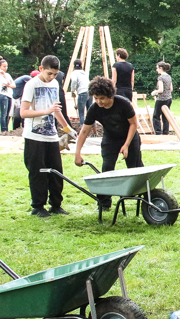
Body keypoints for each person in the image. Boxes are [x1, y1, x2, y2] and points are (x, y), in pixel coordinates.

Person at [74, 76, 143, 210]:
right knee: (106, 169)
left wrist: (126, 145)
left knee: (136, 168)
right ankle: (104, 203)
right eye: (96, 98)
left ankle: (147, 198)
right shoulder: (94, 108)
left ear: (110, 95)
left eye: (102, 98)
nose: (99, 101)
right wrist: (77, 153)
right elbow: (84, 131)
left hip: (130, 136)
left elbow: (133, 124)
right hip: (110, 139)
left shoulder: (123, 103)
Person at [20, 56, 74, 217]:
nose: (52, 77)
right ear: (41, 68)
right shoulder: (31, 85)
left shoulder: (55, 84)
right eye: (49, 73)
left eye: (55, 74)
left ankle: (56, 205)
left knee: (56, 172)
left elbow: (56, 110)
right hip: (34, 137)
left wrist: (67, 129)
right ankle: (38, 206)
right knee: (38, 173)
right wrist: (46, 111)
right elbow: (23, 112)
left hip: (51, 136)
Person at [150, 62, 173, 135]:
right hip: (169, 98)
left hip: (161, 99)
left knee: (156, 116)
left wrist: (155, 92)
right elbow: (171, 89)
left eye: (157, 68)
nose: (156, 70)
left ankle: (158, 132)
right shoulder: (169, 76)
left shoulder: (160, 78)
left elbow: (161, 90)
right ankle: (166, 132)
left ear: (161, 68)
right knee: (165, 115)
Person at [0, 56, 15, 135]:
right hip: (3, 95)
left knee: (8, 114)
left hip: (9, 95)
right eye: (4, 66)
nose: (6, 68)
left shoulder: (8, 74)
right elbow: (8, 83)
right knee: (3, 114)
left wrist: (8, 83)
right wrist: (5, 77)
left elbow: (13, 85)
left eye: (6, 66)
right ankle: (3, 130)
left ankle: (7, 130)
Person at [68, 59, 90, 127]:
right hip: (89, 91)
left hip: (82, 92)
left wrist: (72, 90)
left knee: (81, 112)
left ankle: (82, 128)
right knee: (90, 111)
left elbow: (74, 81)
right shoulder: (83, 73)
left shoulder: (74, 73)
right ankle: (93, 128)